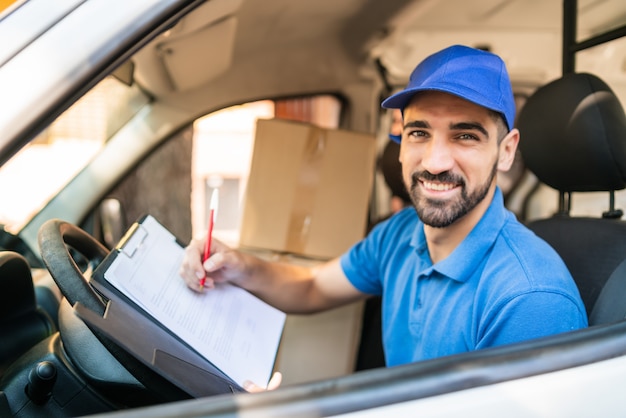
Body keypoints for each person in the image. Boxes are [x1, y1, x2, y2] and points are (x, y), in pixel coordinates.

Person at [179, 44, 588, 387]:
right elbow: (313, 287)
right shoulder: (402, 233)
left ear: (506, 150)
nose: (436, 160)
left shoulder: (530, 300)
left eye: (465, 135)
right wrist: (237, 267)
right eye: (419, 133)